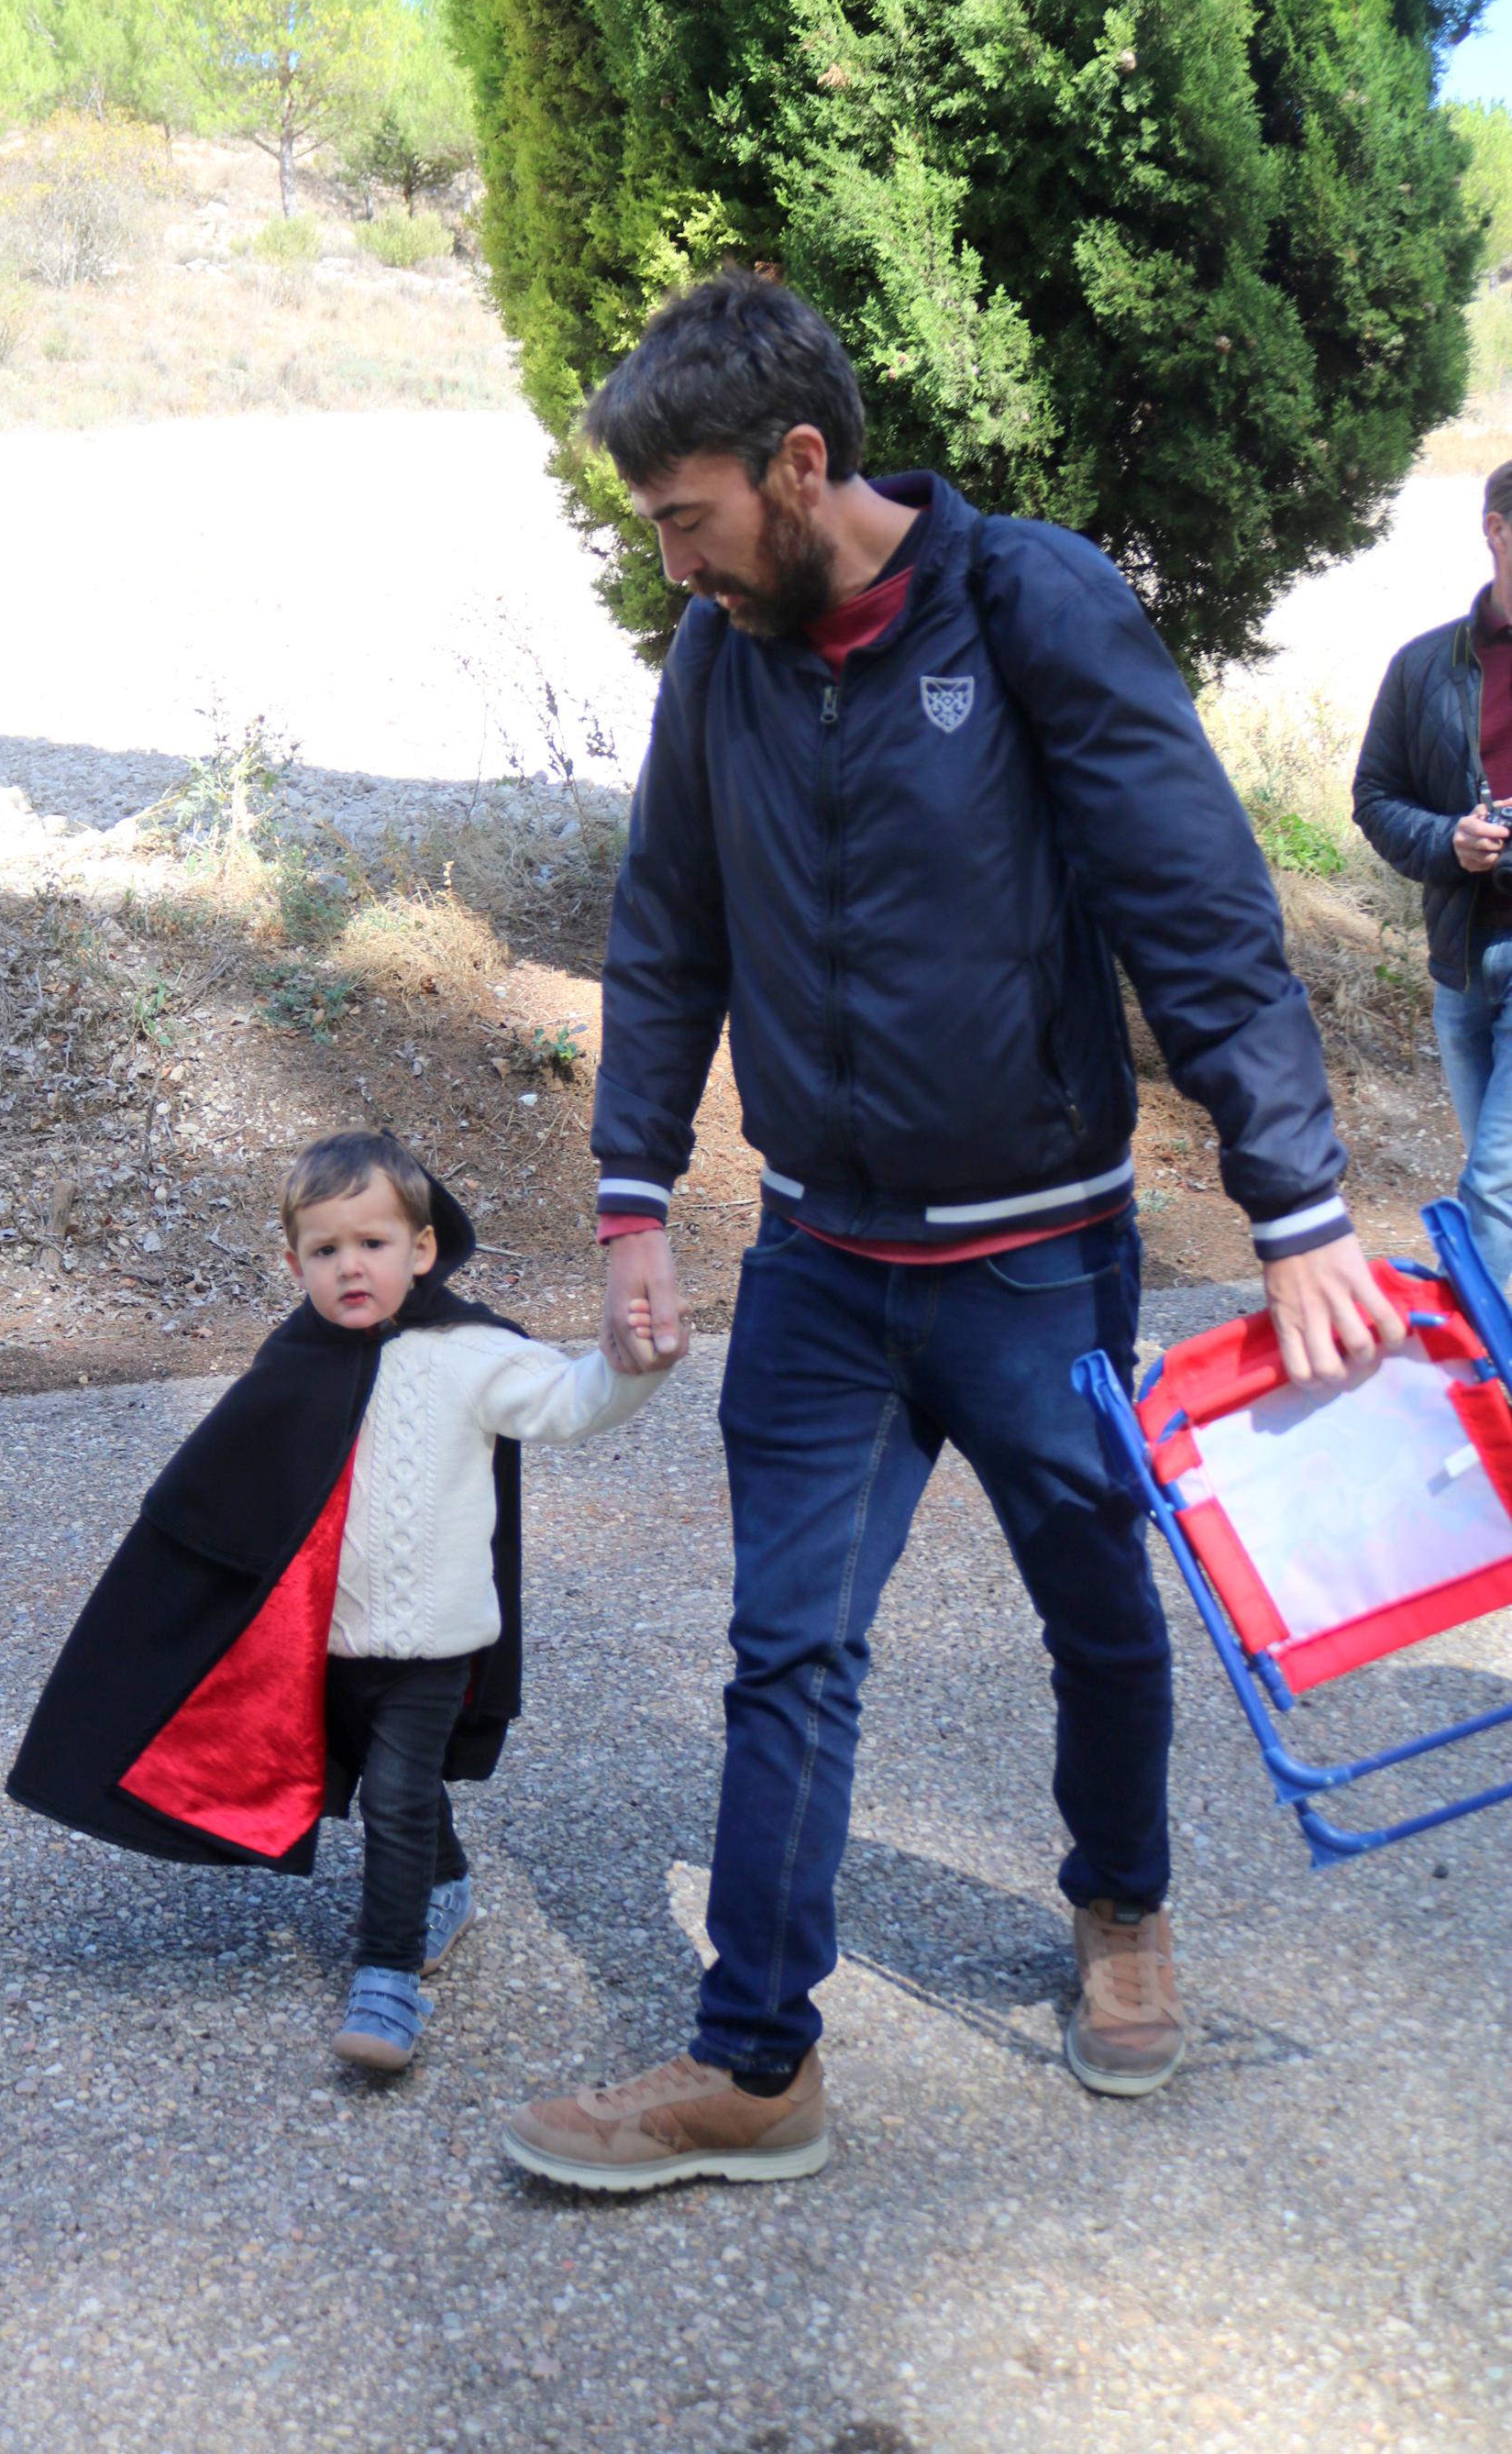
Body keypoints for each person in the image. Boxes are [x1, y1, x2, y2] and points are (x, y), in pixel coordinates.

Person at [501, 271, 1400, 2196]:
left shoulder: (1028, 606)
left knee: (1094, 1612)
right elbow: (667, 928)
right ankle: (753, 2062)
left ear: (798, 462)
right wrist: (633, 1189)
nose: (671, 557)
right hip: (821, 1267)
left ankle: (1120, 1908)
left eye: (685, 515)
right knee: (784, 1652)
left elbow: (1195, 908)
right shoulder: (717, 654)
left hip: (1030, 1259)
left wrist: (1295, 1206)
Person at [9, 1131, 672, 2073]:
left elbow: (569, 1402)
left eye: (371, 1242)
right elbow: (225, 1499)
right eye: (324, 1249)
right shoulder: (297, 1361)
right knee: (381, 1784)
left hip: (433, 1642)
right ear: (295, 1264)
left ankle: (385, 1973)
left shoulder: (472, 1353)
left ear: (422, 1248)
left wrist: (634, 1359)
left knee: (397, 1790)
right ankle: (443, 1881)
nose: (349, 1264)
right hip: (323, 1644)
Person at [1353, 460, 1512, 1286]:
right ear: (1496, 531)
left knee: (1493, 1186)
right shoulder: (1422, 667)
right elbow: (1374, 797)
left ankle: (1478, 1380)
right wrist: (1448, 841)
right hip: (1460, 957)